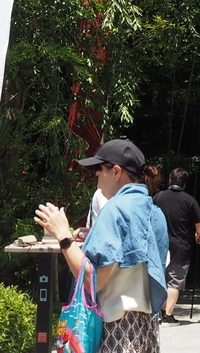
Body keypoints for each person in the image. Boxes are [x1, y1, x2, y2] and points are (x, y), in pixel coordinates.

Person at [35, 139, 169, 353]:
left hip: (116, 328)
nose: (96, 176)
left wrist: (63, 236)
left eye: (99, 169)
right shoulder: (154, 212)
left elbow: (93, 279)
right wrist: (93, 235)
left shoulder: (114, 209)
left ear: (117, 172)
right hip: (146, 328)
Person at [152, 167, 200, 323]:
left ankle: (159, 312)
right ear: (185, 184)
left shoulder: (157, 197)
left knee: (159, 278)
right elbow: (199, 224)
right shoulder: (189, 200)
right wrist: (199, 234)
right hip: (181, 247)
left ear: (170, 180)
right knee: (175, 281)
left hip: (158, 245)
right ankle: (168, 314)